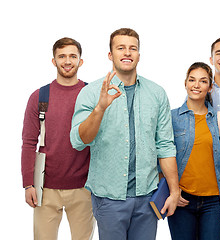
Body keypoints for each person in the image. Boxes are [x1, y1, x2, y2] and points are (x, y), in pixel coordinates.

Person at [70, 28, 180, 240]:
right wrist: (100, 109)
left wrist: (174, 192)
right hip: (108, 198)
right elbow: (78, 141)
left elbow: (165, 145)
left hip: (147, 196)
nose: (127, 53)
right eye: (121, 48)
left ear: (139, 54)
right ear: (110, 55)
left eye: (133, 48)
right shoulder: (92, 92)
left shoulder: (156, 93)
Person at [21, 37, 95, 239]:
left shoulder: (92, 94)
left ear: (81, 61)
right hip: (45, 187)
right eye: (62, 56)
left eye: (73, 56)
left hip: (84, 187)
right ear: (54, 61)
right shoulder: (39, 96)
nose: (67, 61)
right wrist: (28, 183)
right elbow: (29, 142)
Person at [168, 62, 220, 240]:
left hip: (214, 202)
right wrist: (172, 190)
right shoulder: (171, 117)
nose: (196, 85)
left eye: (203, 81)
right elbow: (162, 157)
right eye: (192, 80)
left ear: (210, 87)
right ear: (185, 83)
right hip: (182, 199)